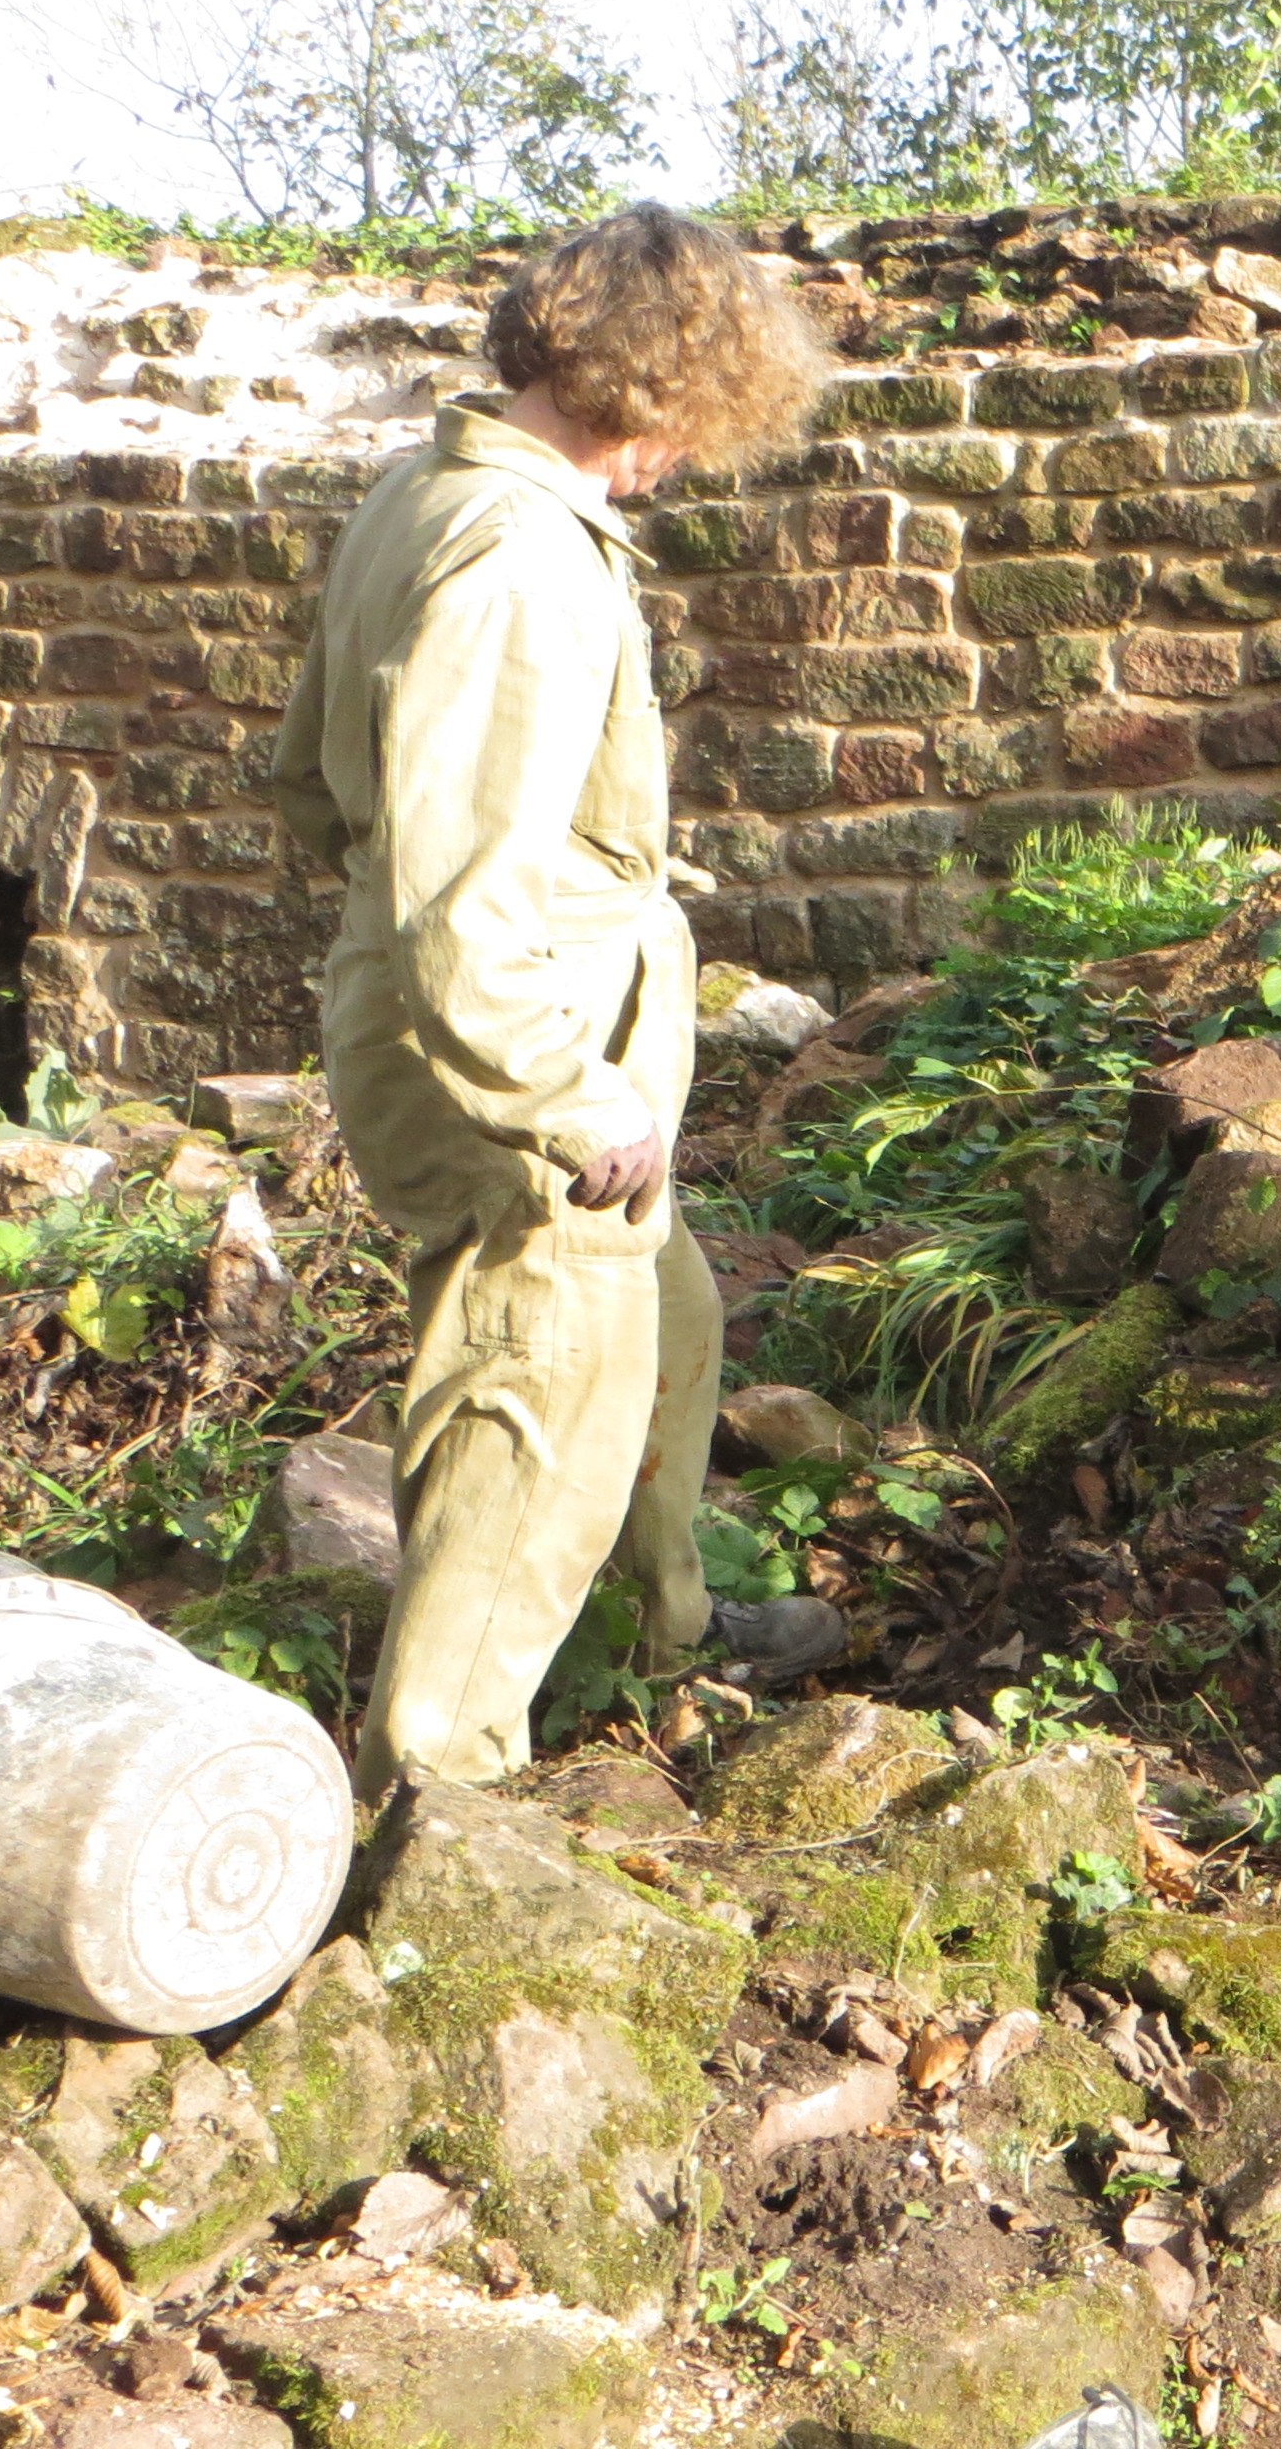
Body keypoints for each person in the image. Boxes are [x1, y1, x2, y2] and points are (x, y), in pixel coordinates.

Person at [271, 205, 831, 1799]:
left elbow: (315, 785)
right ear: (664, 385)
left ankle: (663, 1634)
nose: (700, 450)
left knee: (665, 1319)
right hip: (509, 1035)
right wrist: (567, 1098)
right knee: (531, 1395)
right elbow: (460, 892)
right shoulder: (520, 558)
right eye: (707, 411)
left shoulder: (426, 494)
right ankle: (437, 1795)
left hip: (485, 1000)